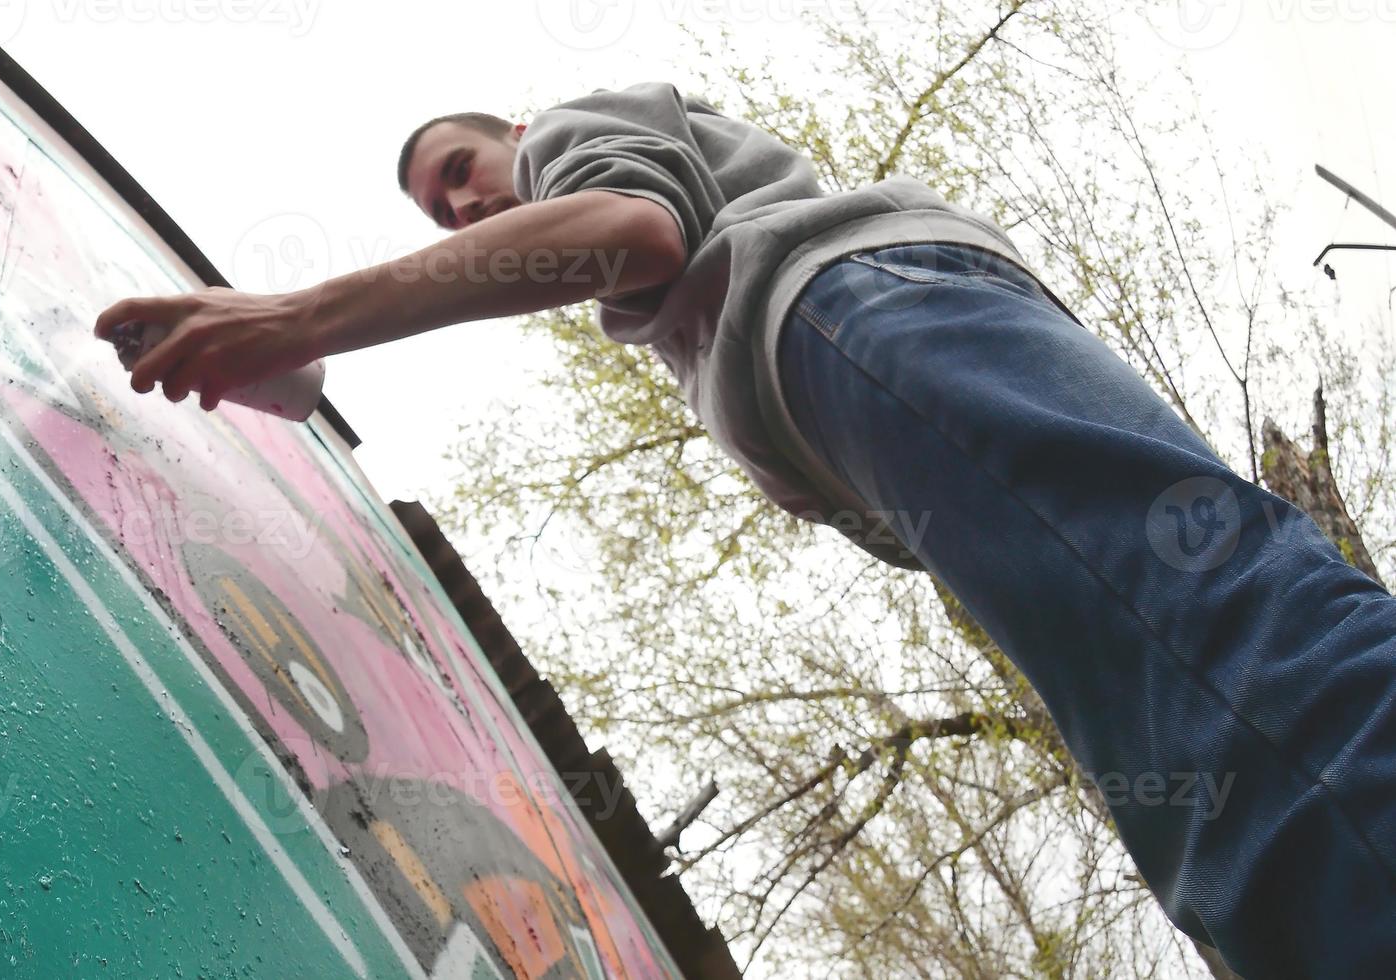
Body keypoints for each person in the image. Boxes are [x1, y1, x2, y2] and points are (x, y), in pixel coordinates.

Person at [93, 81, 1396, 976]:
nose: (467, 212)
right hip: (899, 339)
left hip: (869, 309)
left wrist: (302, 318)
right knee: (1182, 698)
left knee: (1216, 677)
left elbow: (625, 229)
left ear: (522, 132)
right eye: (442, 216)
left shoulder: (579, 140)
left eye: (464, 175)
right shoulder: (762, 328)